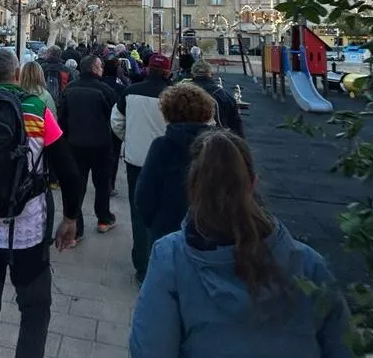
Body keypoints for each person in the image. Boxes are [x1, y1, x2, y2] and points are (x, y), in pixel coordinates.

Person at [130, 129, 352, 358]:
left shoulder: (171, 259)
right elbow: (344, 346)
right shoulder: (310, 265)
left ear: (193, 187)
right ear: (252, 183)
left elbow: (150, 348)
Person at [0, 48, 82, 358]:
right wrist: (71, 218)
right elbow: (69, 171)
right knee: (35, 309)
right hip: (29, 230)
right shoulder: (37, 108)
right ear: (17, 75)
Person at [110, 53, 171, 282]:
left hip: (136, 160)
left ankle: (142, 264)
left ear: (146, 69)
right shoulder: (173, 96)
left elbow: (116, 121)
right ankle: (162, 260)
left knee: (138, 211)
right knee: (166, 210)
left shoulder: (130, 92)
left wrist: (130, 139)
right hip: (166, 161)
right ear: (167, 72)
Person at [135, 83, 213, 245]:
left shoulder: (162, 146)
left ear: (167, 111)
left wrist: (154, 223)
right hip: (211, 234)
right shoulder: (220, 147)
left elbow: (144, 195)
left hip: (166, 231)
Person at [58, 55, 117, 242]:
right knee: (102, 184)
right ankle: (103, 219)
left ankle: (76, 227)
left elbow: (62, 119)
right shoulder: (106, 90)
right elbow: (113, 119)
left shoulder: (70, 89)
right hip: (101, 144)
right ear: (93, 68)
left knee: (78, 185)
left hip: (75, 145)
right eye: (100, 66)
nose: (102, 69)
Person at [190, 59, 244, 137]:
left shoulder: (181, 96)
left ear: (192, 75)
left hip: (187, 142)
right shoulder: (226, 97)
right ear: (212, 74)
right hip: (218, 141)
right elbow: (237, 130)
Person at [102, 58, 127, 197]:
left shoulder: (101, 83)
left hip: (101, 123)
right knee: (113, 155)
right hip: (114, 125)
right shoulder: (121, 86)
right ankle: (110, 184)